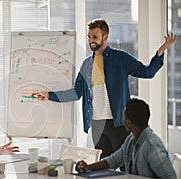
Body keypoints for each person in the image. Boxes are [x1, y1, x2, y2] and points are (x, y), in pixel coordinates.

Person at [32, 18, 176, 160]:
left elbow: (147, 72)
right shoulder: (86, 64)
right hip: (97, 125)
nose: (91, 40)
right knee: (103, 168)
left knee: (126, 167)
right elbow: (76, 93)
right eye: (89, 37)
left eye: (95, 36)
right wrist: (49, 95)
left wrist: (160, 52)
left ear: (105, 37)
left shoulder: (120, 58)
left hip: (119, 124)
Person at [75, 98, 177, 179]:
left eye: (123, 115)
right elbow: (113, 161)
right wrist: (88, 167)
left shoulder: (152, 146)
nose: (121, 119)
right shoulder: (131, 140)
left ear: (128, 122)